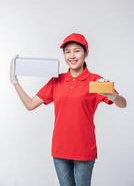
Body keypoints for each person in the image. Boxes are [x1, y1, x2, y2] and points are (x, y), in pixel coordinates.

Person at [10, 33, 127, 186]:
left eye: (77, 50)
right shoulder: (56, 80)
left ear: (86, 53)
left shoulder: (95, 81)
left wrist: (111, 95)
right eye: (67, 51)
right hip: (60, 150)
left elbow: (123, 103)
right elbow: (30, 104)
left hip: (84, 150)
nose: (72, 55)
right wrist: (15, 82)